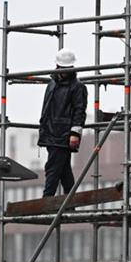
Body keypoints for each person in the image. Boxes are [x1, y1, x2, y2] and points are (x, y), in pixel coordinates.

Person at [38, 48, 88, 197]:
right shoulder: (52, 84)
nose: (65, 71)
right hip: (50, 132)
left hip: (63, 134)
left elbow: (80, 111)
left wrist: (75, 133)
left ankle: (47, 199)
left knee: (53, 168)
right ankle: (70, 202)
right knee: (63, 170)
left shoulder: (77, 87)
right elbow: (46, 109)